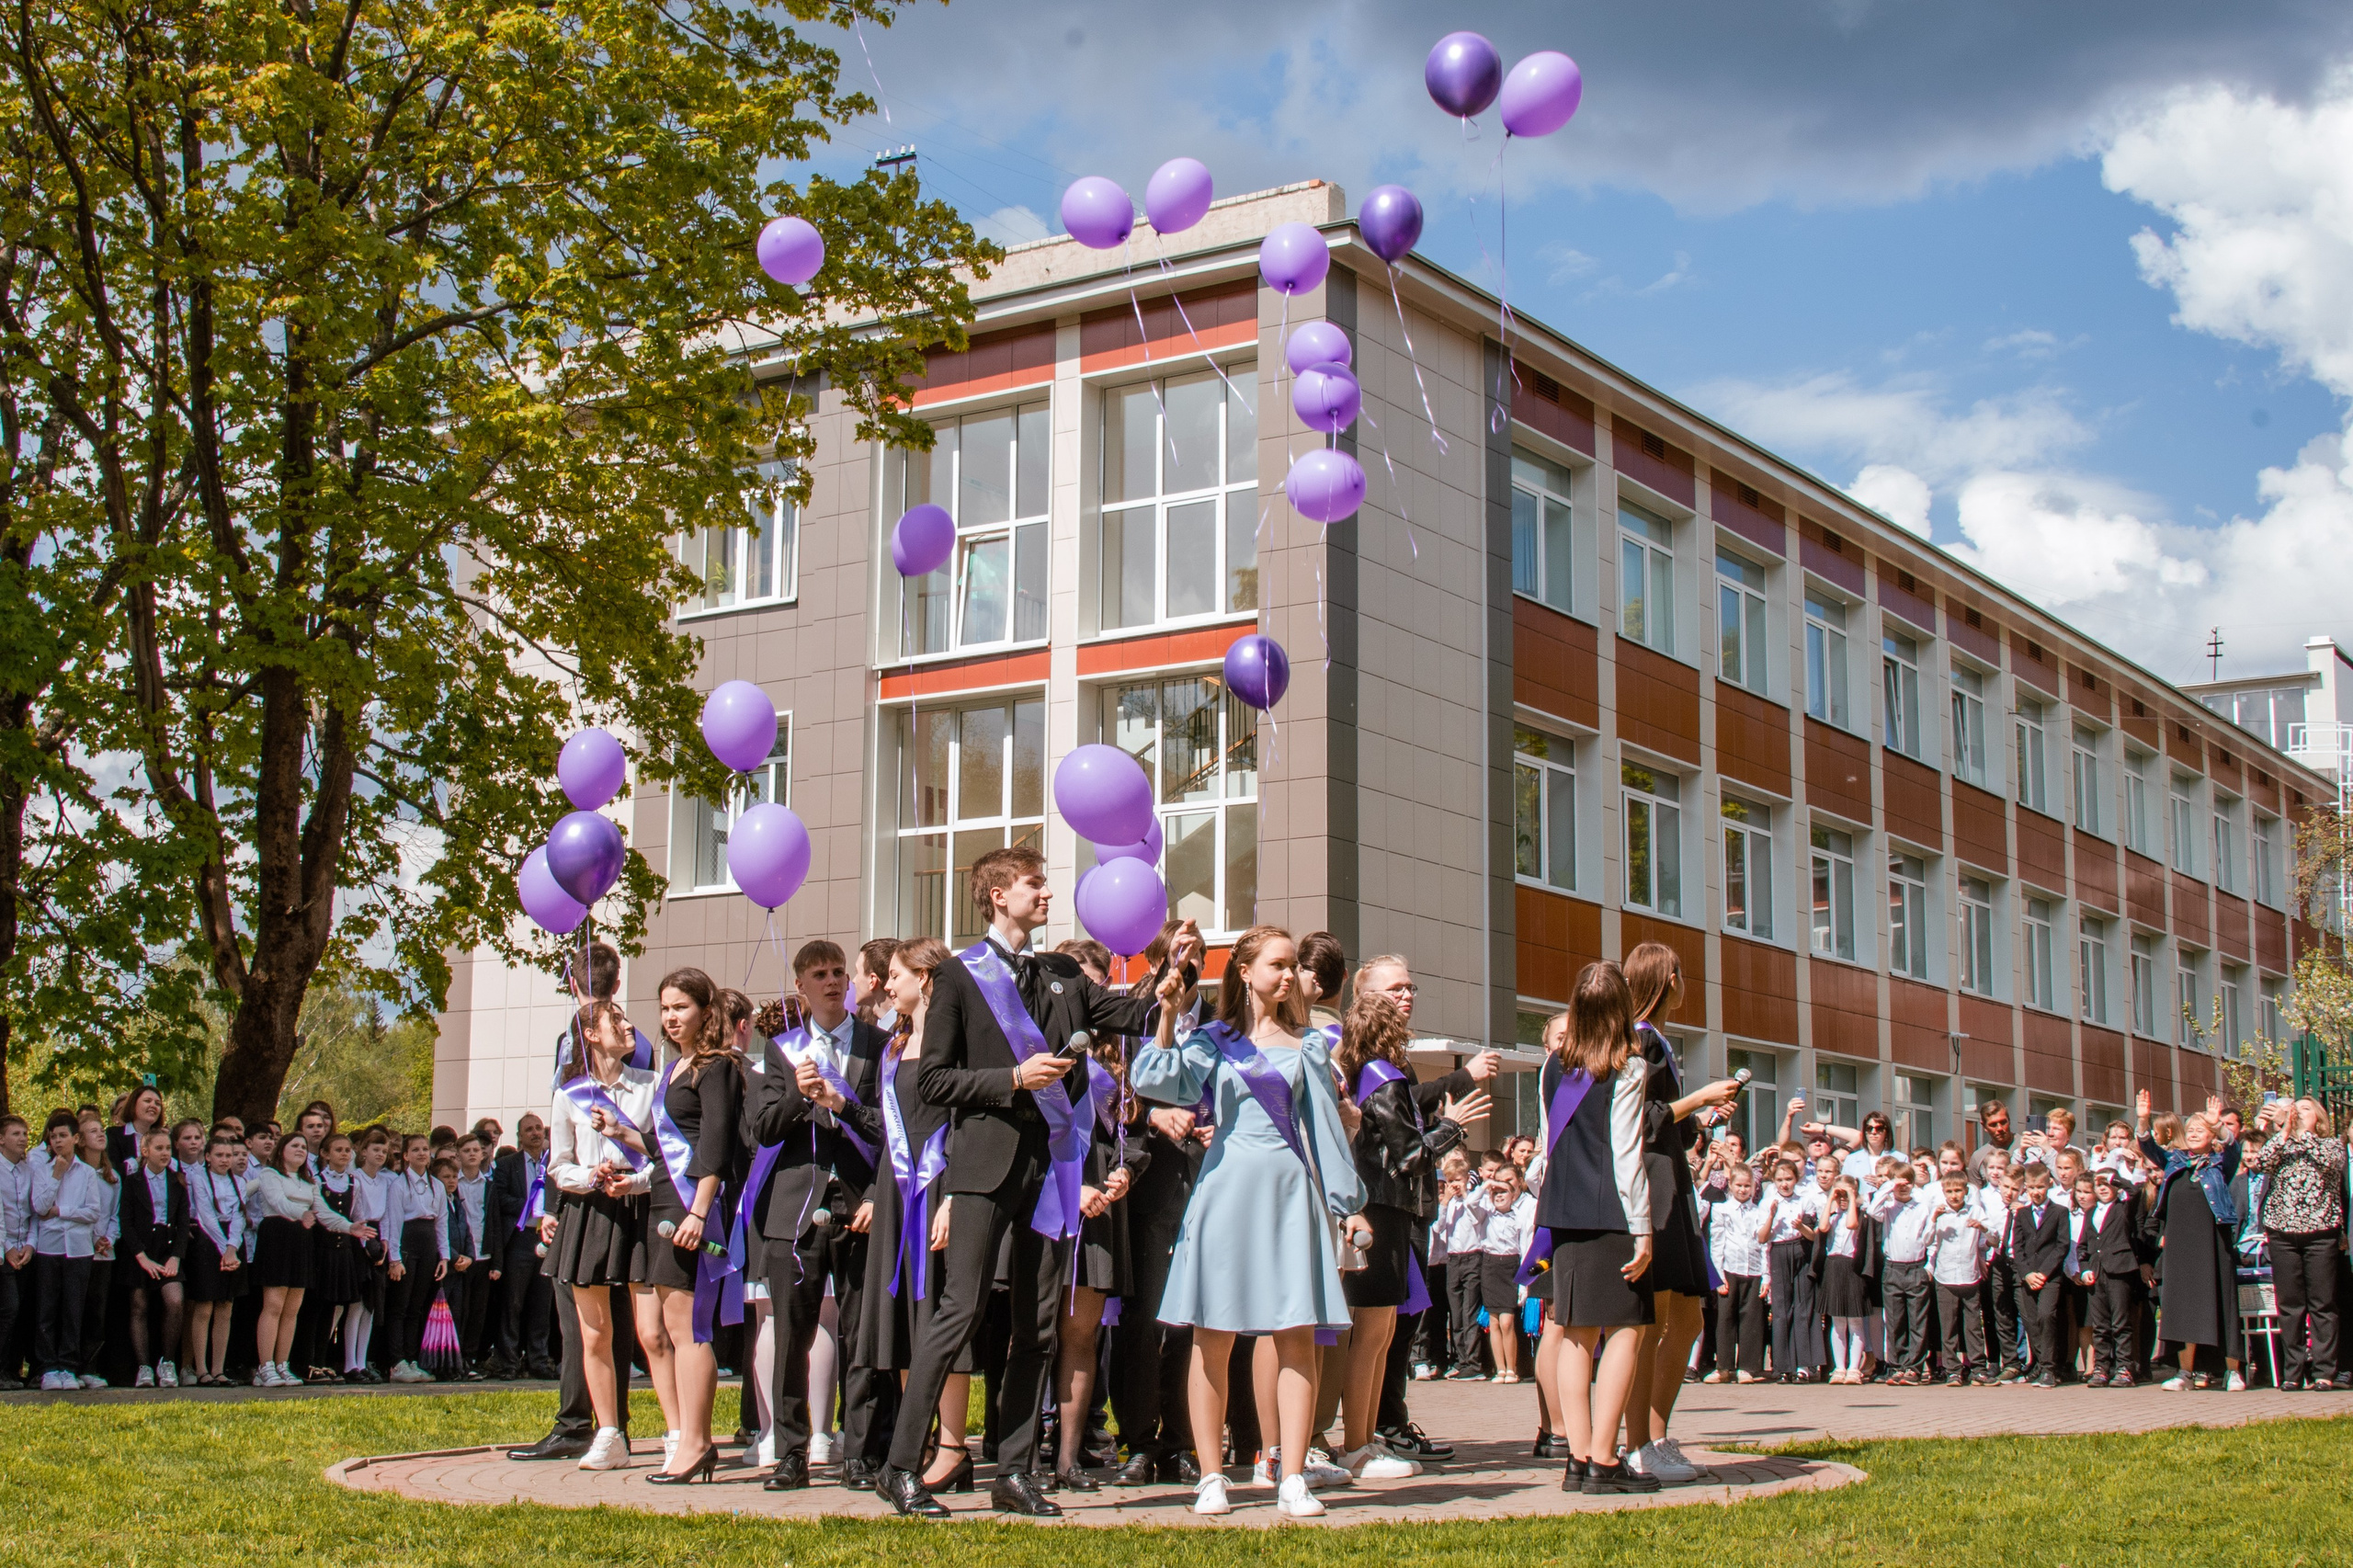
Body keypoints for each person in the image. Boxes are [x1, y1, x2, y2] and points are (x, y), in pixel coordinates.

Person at [875, 847, 1195, 1520]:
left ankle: (1015, 1472)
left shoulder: (1059, 974)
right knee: (958, 1311)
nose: (1046, 895)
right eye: (1034, 885)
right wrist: (1012, 1081)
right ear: (996, 895)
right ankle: (901, 1465)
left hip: (1050, 1171)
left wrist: (1172, 972)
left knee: (1037, 1325)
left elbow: (1133, 1014)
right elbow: (933, 1081)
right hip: (984, 1166)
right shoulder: (960, 976)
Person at [1130, 923, 1366, 1519]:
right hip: (1226, 1193)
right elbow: (1155, 1081)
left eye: (1292, 966)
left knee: (1296, 1338)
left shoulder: (1309, 1045)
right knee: (1212, 1337)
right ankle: (1211, 1476)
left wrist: (1350, 1204)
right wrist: (1164, 1015)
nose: (1288, 976)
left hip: (1291, 1195)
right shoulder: (1213, 1039)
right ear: (1244, 971)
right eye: (1277, 965)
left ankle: (1290, 1475)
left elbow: (1325, 1131)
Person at [749, 939, 890, 1491]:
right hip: (797, 1210)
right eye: (819, 974)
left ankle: (859, 1451)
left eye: (838, 972)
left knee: (861, 1336)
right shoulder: (781, 1050)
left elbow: (893, 1131)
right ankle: (790, 1451)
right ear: (801, 986)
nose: (832, 982)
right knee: (792, 1336)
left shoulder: (880, 1046)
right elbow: (760, 1129)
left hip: (859, 1205)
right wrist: (797, 1099)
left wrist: (878, 1195)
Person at [1334, 989, 1485, 1480]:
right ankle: (1357, 1443)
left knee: (1375, 1333)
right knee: (1374, 1333)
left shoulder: (1362, 1077)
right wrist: (1452, 1127)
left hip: (1373, 1206)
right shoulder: (1388, 1080)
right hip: (1384, 1208)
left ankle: (1366, 1438)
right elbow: (1411, 1157)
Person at [1522, 962, 1654, 1495]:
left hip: (1562, 1211)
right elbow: (1626, 1155)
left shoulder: (1553, 1064)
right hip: (1612, 1214)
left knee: (1575, 1335)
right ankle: (1604, 1458)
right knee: (1625, 1330)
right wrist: (1643, 1228)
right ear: (1623, 1008)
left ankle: (1577, 1458)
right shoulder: (1628, 1068)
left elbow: (1547, 1136)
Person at [856, 937, 979, 1500]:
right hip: (896, 1190)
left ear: (927, 979)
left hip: (939, 1190)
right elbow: (889, 1126)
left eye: (897, 976)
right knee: (906, 1319)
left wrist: (954, 1194)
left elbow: (964, 1123)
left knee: (939, 1316)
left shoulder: (958, 1043)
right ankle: (918, 1443)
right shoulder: (893, 1046)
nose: (887, 985)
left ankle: (953, 1448)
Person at [1618, 943, 1737, 1483]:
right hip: (1655, 1190)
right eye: (1682, 973)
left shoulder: (1654, 1038)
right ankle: (1639, 1441)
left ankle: (1656, 1434)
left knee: (1685, 1316)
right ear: (1669, 978)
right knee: (1655, 1318)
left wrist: (1703, 1118)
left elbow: (1668, 1123)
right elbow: (1638, 1118)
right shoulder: (1642, 1037)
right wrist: (1697, 1100)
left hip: (1672, 1184)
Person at [542, 998, 657, 1471]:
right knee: (595, 1333)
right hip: (590, 1213)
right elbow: (558, 1166)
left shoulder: (652, 1085)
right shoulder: (570, 1095)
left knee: (652, 1333)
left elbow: (664, 1154)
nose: (629, 1026)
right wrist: (592, 1176)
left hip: (640, 1208)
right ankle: (608, 1433)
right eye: (617, 1020)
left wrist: (636, 1179)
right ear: (590, 1034)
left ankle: (675, 1434)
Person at [643, 966, 747, 1483]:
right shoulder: (673, 1069)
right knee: (671, 1327)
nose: (670, 1017)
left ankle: (698, 1443)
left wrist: (700, 1211)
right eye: (664, 1008)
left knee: (691, 1330)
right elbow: (662, 1143)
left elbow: (716, 1143)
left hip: (693, 1207)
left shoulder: (718, 1067)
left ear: (707, 1010)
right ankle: (689, 1440)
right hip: (663, 1203)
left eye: (680, 1007)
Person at [2136, 1089, 2245, 1391]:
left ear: (2211, 1136)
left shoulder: (2220, 1165)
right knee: (2184, 1306)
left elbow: (2234, 1149)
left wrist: (2219, 1125)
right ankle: (2184, 1374)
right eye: (2192, 1129)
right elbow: (2147, 1145)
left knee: (2221, 1304)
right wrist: (2143, 1118)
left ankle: (2233, 1372)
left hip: (2214, 1243)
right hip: (2181, 1246)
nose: (2195, 1133)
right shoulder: (2174, 1160)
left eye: (2202, 1129)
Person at [248, 1132, 370, 1388]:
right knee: (273, 1304)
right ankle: (265, 1367)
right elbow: (278, 1202)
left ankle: (283, 1365)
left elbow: (323, 1212)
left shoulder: (309, 1181)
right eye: (294, 1145)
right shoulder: (271, 1175)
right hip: (277, 1238)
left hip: (301, 1241)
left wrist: (349, 1228)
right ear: (282, 1150)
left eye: (304, 1147)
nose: (300, 1150)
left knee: (292, 1307)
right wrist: (301, 1213)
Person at [2242, 1097, 2344, 1390]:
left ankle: (2324, 1371)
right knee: (2290, 1305)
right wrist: (2283, 1132)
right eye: (2294, 1110)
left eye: (2304, 1111)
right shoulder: (2282, 1143)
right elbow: (2260, 1164)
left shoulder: (2328, 1144)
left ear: (2319, 1119)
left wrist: (2301, 1133)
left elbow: (2332, 1163)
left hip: (2320, 1233)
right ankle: (2293, 1373)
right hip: (2282, 1234)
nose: (2297, 1114)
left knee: (2322, 1304)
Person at [28, 1112, 108, 1391]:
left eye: (63, 1135)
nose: (58, 1141)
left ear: (76, 1138)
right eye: (53, 1136)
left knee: (74, 1309)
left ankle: (69, 1366)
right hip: (49, 1249)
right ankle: (48, 1367)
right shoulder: (41, 1170)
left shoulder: (87, 1173)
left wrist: (62, 1211)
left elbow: (92, 1212)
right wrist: (56, 1176)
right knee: (47, 1308)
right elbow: (39, 1208)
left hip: (79, 1250)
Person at [488, 1115, 558, 1381]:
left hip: (548, 1239)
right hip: (519, 1239)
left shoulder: (555, 1164)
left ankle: (539, 1360)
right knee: (513, 1303)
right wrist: (530, 1207)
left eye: (538, 1128)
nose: (535, 1133)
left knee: (543, 1303)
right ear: (519, 1136)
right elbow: (500, 1199)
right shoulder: (506, 1165)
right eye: (528, 1130)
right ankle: (508, 1361)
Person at [119, 1127, 188, 1389]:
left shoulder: (178, 1181)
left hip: (168, 1249)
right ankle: (143, 1367)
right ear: (145, 1152)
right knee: (139, 1305)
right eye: (159, 1148)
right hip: (140, 1252)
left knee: (175, 1301)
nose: (165, 1153)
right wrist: (141, 1257)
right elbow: (125, 1222)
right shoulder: (133, 1182)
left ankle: (167, 1361)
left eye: (168, 1148)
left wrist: (176, 1257)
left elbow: (183, 1223)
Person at [384, 1132, 449, 1383]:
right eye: (416, 1150)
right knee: (400, 1305)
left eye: (425, 1149)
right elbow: (393, 1221)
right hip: (408, 1241)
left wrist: (444, 1255)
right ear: (406, 1155)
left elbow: (442, 1220)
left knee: (418, 1306)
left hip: (428, 1242)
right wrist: (395, 1258)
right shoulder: (399, 1185)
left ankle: (412, 1359)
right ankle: (396, 1361)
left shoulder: (437, 1186)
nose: (422, 1153)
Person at [1868, 1159, 1938, 1385]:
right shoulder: (1887, 1207)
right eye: (1900, 1183)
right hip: (1893, 1268)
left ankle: (1914, 1368)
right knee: (1895, 1321)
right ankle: (1896, 1366)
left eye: (1907, 1182)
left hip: (1916, 1267)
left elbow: (1931, 1238)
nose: (1903, 1187)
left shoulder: (1921, 1205)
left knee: (1917, 1321)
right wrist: (1888, 1186)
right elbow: (1871, 1211)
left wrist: (1929, 1267)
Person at [2082, 1165, 2151, 1386]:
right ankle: (2102, 1367)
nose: (2102, 1188)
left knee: (2121, 1322)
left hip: (2120, 1270)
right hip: (2096, 1272)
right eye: (2098, 1184)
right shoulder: (2091, 1212)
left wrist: (2116, 1179)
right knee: (2100, 1325)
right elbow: (2083, 1246)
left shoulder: (2123, 1207)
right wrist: (2084, 1269)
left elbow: (2135, 1192)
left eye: (2107, 1184)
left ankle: (2124, 1367)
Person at [1756, 1159, 1819, 1382]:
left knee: (1802, 1308)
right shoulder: (1768, 1202)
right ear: (1773, 1180)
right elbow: (1762, 1238)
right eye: (1780, 1180)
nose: (1784, 1184)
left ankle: (1803, 1365)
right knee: (1781, 1310)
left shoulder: (1805, 1200)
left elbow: (1812, 1234)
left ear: (1796, 1179)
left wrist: (1801, 1226)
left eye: (1789, 1179)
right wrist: (1772, 1215)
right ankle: (1782, 1366)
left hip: (1800, 1250)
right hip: (1779, 1252)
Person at [2008, 1163, 2071, 1387]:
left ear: (2049, 1185)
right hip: (2027, 1278)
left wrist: (2043, 1273)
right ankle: (2040, 1365)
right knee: (2031, 1321)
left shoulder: (2060, 1212)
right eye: (2031, 1187)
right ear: (2025, 1187)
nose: (2036, 1192)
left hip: (2050, 1277)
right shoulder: (2022, 1213)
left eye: (2040, 1187)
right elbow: (2017, 1246)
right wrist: (2026, 1273)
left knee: (2046, 1316)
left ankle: (2049, 1369)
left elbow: (2062, 1246)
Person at [1472, 1161, 1535, 1384]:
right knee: (1494, 1321)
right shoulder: (1487, 1212)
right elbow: (1471, 1203)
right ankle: (1500, 1369)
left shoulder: (1520, 1212)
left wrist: (1524, 1281)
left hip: (1511, 1266)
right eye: (1497, 1188)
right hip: (1490, 1266)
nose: (1500, 1192)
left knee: (1508, 1321)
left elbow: (1525, 1243)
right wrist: (1487, 1185)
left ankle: (1512, 1368)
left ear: (1517, 1185)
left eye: (1507, 1184)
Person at [1703, 1162, 1766, 1383]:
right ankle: (1723, 1367)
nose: (1742, 1190)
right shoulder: (1721, 1209)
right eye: (1738, 1185)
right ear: (1730, 1185)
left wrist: (1766, 1275)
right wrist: (1718, 1275)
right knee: (1725, 1318)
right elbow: (1716, 1242)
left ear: (1753, 1187)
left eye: (1747, 1186)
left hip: (1753, 1270)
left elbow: (1763, 1243)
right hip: (1729, 1269)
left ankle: (1747, 1367)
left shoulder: (1759, 1211)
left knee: (1751, 1319)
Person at [1925, 1174, 1989, 1386]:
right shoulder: (1939, 1214)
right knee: (1949, 1326)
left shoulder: (1976, 1211)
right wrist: (1933, 1219)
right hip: (1946, 1276)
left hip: (1969, 1276)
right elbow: (1925, 1240)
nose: (1954, 1195)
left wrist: (1982, 1227)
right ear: (1944, 1193)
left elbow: (1993, 1239)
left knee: (1973, 1326)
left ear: (1966, 1192)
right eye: (1950, 1192)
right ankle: (1953, 1370)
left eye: (1958, 1191)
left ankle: (1978, 1368)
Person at [1818, 1176, 1868, 1383]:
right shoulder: (1832, 1214)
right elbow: (1822, 1228)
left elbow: (1852, 1224)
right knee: (1837, 1321)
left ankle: (1854, 1368)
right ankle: (1839, 1368)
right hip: (1834, 1266)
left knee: (1855, 1321)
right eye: (1840, 1194)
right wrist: (1831, 1199)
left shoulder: (1859, 1215)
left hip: (1852, 1267)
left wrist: (1851, 1198)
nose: (1843, 1198)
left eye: (1846, 1194)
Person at [0, 1115, 32, 1391]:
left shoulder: (26, 1170)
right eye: (15, 1133)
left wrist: (29, 1245)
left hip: (24, 1250)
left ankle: (12, 1369)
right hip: (3, 1250)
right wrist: (8, 1249)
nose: (22, 1138)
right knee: (8, 1308)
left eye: (24, 1133)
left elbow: (32, 1212)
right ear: (1, 1138)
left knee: (22, 1311)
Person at [1967, 1100, 2016, 1186]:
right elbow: (1975, 1193)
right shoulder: (1978, 1157)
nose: (2000, 1128)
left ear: (2009, 1120)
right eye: (1993, 1124)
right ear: (1984, 1126)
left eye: (2003, 1122)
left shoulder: (2026, 1146)